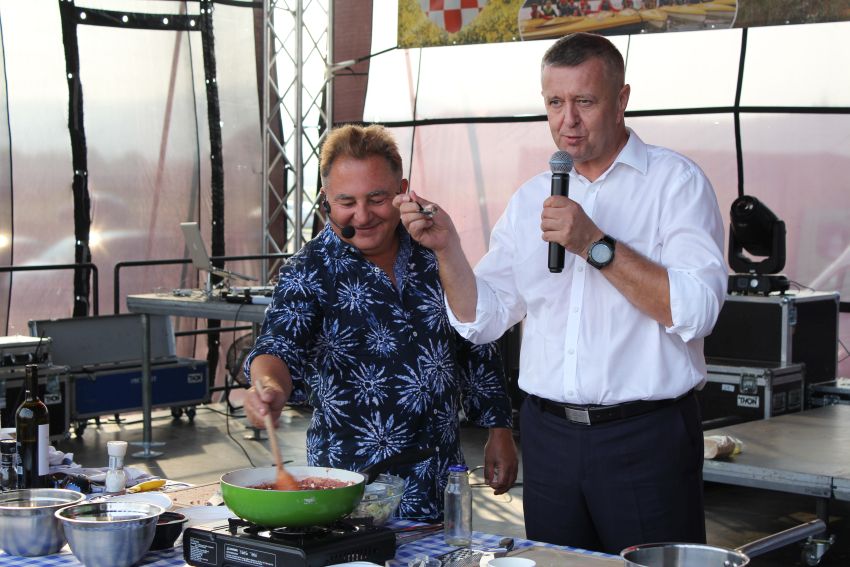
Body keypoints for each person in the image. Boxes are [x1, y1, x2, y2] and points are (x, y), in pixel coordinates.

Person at [395, 33, 726, 553]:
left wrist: (595, 245)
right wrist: (448, 249)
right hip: (549, 438)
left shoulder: (675, 184)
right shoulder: (531, 197)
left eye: (584, 101)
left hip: (644, 437)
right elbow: (482, 319)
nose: (567, 120)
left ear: (621, 99)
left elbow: (698, 309)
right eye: (554, 102)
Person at [243, 124, 518, 521]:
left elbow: (476, 343)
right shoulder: (308, 269)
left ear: (402, 190)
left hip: (438, 477)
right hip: (349, 486)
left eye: (377, 198)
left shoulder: (435, 252)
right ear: (326, 199)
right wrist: (268, 387)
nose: (363, 215)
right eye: (346, 201)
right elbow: (278, 347)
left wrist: (499, 431)